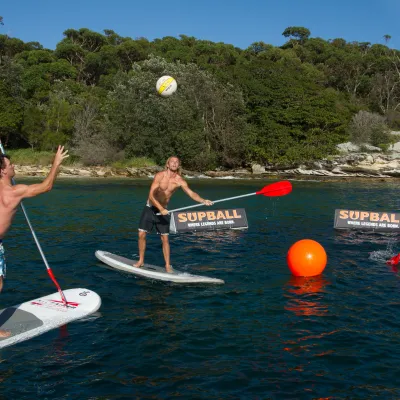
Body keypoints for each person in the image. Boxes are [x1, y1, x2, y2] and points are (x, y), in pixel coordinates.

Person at [0, 145, 69, 295]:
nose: (13, 166)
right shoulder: (14, 192)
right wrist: (56, 163)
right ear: (3, 170)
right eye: (10, 164)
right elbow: (46, 187)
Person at [134, 156, 213, 273]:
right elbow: (151, 195)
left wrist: (203, 200)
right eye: (172, 161)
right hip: (151, 208)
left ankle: (167, 265)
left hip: (164, 210)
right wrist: (160, 209)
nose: (174, 163)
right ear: (167, 164)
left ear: (178, 165)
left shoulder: (179, 180)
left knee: (165, 238)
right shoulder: (160, 176)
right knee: (141, 234)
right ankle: (141, 261)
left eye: (177, 162)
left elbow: (191, 193)